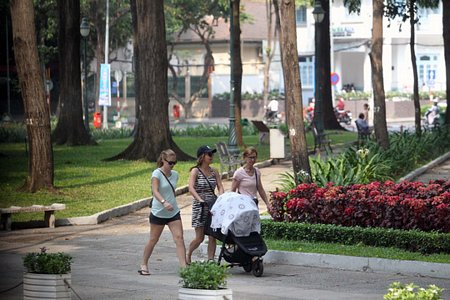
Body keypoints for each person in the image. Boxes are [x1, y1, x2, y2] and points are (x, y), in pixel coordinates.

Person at [139, 149, 186, 275]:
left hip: (173, 212)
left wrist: (170, 203)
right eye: (170, 163)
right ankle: (143, 263)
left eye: (174, 163)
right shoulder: (157, 173)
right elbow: (155, 190)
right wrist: (164, 202)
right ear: (163, 161)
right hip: (159, 211)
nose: (172, 165)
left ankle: (184, 268)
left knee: (179, 238)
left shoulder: (175, 174)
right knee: (153, 239)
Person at [186, 145, 224, 264]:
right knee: (200, 237)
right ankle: (188, 253)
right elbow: (191, 188)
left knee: (212, 235)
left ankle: (211, 259)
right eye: (209, 154)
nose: (211, 157)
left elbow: (220, 186)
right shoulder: (195, 171)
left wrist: (222, 197)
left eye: (212, 154)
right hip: (200, 206)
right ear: (202, 156)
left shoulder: (214, 171)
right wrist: (199, 199)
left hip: (213, 205)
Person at [231, 147, 271, 212]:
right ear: (245, 158)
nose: (252, 160)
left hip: (253, 204)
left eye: (254, 157)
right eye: (250, 157)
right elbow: (232, 191)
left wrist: (267, 203)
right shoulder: (239, 173)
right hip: (243, 205)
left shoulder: (257, 172)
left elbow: (260, 189)